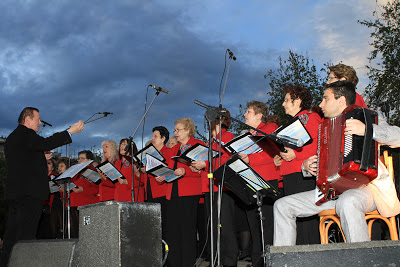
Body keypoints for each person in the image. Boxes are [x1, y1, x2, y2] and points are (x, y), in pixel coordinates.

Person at [273, 81, 400, 246]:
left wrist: (367, 129)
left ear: (341, 101)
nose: (320, 104)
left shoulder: (367, 117)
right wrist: (306, 166)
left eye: (325, 99)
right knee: (282, 205)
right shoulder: (325, 128)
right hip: (330, 191)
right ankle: (284, 261)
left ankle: (360, 260)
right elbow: (324, 164)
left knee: (347, 200)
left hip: (367, 190)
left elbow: (397, 135)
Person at [1, 107, 83, 266]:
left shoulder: (13, 137)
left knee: (12, 237)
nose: (40, 122)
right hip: (29, 195)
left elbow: (24, 160)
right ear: (27, 119)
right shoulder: (26, 134)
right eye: (38, 119)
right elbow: (47, 142)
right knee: (25, 238)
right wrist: (70, 131)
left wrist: (40, 155)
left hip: (16, 194)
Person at [273, 86, 322, 244]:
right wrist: (279, 157)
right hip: (290, 175)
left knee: (306, 221)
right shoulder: (290, 123)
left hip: (303, 174)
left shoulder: (311, 117)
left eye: (287, 100)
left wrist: (296, 154)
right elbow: (288, 150)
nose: (283, 104)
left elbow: (319, 145)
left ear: (298, 101)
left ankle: (310, 256)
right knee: (293, 220)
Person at [191, 108, 239, 266]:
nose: (207, 121)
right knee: (212, 227)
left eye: (210, 118)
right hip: (208, 187)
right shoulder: (210, 141)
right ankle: (216, 259)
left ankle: (229, 261)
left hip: (222, 187)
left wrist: (205, 163)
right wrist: (198, 167)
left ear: (218, 119)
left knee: (225, 226)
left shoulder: (227, 136)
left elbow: (227, 160)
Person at [158, 117, 204, 267]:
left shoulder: (198, 145)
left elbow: (200, 170)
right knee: (172, 230)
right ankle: (174, 262)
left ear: (188, 130)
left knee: (187, 229)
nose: (175, 132)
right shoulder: (174, 149)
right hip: (172, 192)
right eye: (175, 129)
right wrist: (162, 177)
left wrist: (185, 171)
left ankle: (188, 262)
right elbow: (170, 170)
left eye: (179, 129)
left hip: (189, 192)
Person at [239, 101, 280, 267]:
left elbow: (273, 152)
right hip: (251, 181)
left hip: (267, 181)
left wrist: (250, 159)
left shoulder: (269, 129)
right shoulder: (247, 133)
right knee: (254, 225)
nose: (244, 114)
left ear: (259, 115)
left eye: (248, 111)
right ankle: (257, 261)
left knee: (266, 224)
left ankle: (268, 261)